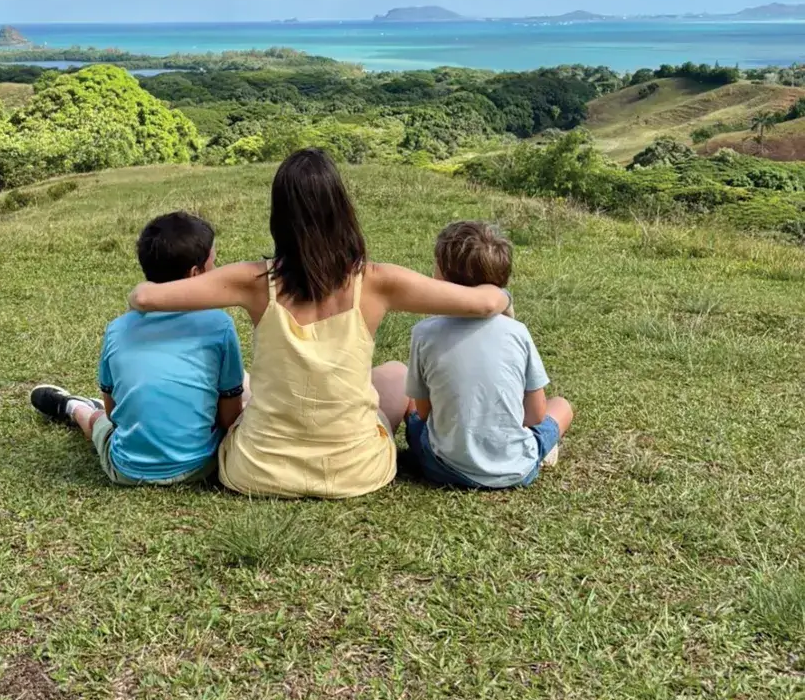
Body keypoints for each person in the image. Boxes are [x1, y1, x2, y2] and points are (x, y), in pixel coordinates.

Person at [126, 149, 513, 499]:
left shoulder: (253, 281)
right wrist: (503, 300)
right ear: (342, 211)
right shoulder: (378, 281)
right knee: (395, 374)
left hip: (256, 470)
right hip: (355, 472)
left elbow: (144, 297)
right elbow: (484, 302)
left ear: (279, 216)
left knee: (246, 383)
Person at [30, 211, 244, 486]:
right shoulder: (219, 325)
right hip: (202, 467)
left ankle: (72, 407)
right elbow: (229, 419)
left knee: (97, 420)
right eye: (214, 264)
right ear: (195, 274)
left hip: (127, 470)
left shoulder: (117, 329)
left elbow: (112, 414)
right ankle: (75, 407)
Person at [404, 220, 573, 490]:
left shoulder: (424, 332)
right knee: (562, 405)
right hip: (518, 468)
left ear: (442, 277)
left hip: (442, 468)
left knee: (411, 407)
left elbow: (423, 414)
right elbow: (536, 416)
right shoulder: (518, 332)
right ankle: (541, 450)